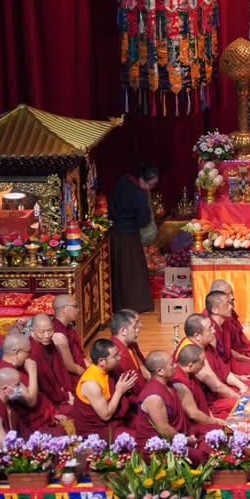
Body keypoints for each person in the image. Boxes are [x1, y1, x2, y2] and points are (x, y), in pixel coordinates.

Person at [108, 165, 158, 313]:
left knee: (119, 270)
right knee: (133, 271)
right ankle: (136, 304)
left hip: (115, 233)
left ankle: (119, 304)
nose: (150, 188)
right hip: (129, 236)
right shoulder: (139, 194)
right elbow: (143, 220)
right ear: (141, 179)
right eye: (150, 185)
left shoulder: (123, 181)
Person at [66, 339, 137, 439]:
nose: (119, 357)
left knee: (145, 423)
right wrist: (119, 391)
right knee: (136, 438)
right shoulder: (91, 384)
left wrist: (127, 384)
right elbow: (106, 415)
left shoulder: (107, 370)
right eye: (115, 356)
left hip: (116, 419)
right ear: (101, 361)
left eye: (118, 354)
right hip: (97, 430)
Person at [178, 315, 246, 415]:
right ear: (197, 335)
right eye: (210, 329)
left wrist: (242, 386)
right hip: (205, 402)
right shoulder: (193, 355)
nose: (214, 331)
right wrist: (240, 398)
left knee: (248, 385)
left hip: (215, 392)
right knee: (243, 407)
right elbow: (216, 387)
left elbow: (223, 370)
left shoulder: (205, 345)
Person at [171, 345, 230, 434]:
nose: (204, 365)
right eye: (202, 363)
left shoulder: (190, 374)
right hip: (193, 425)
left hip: (204, 414)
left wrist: (212, 417)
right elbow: (193, 414)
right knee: (225, 430)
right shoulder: (179, 383)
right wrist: (215, 421)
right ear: (190, 365)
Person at [207, 280, 250, 361]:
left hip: (240, 351)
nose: (232, 297)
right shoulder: (207, 321)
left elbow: (242, 340)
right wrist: (245, 358)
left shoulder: (226, 312)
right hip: (231, 358)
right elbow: (220, 350)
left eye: (231, 292)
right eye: (227, 294)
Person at [205, 293, 250, 380]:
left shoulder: (224, 325)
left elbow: (227, 350)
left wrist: (244, 358)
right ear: (215, 310)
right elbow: (215, 364)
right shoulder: (210, 332)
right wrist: (238, 377)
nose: (231, 307)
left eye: (230, 303)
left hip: (229, 363)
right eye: (227, 304)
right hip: (221, 370)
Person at [50, 294, 86, 378]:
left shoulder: (69, 328)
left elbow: (80, 354)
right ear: (64, 309)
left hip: (81, 368)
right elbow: (69, 366)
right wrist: (87, 374)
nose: (78, 310)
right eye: (75, 306)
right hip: (70, 376)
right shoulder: (56, 332)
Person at [107, 310, 147, 379]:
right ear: (123, 331)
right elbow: (136, 383)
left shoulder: (128, 344)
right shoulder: (119, 355)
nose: (137, 330)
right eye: (134, 327)